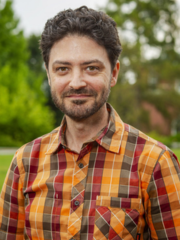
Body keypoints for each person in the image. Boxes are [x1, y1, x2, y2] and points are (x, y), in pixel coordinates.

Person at [0, 6, 180, 240]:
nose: (76, 82)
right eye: (62, 69)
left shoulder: (155, 163)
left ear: (114, 73)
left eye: (91, 68)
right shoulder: (24, 163)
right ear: (49, 75)